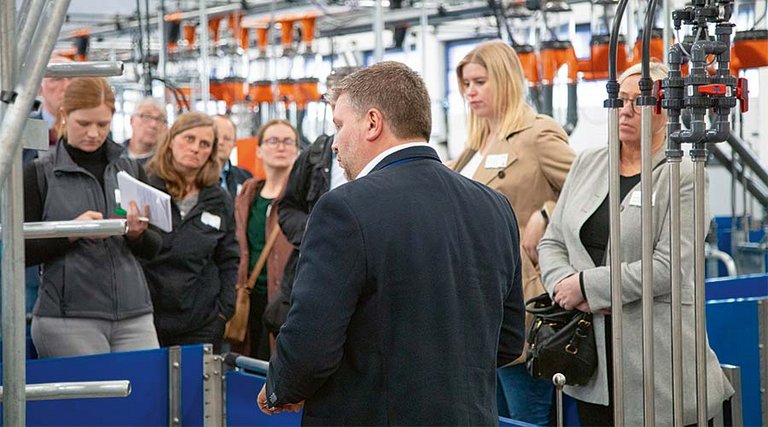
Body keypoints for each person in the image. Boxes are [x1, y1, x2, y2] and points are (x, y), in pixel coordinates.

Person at [257, 61, 526, 425]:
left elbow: (312, 342)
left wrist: (282, 387)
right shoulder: (494, 206)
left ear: (372, 122)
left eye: (339, 125)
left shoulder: (345, 208)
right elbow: (508, 340)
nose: (334, 143)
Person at [538, 62, 734, 425]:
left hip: (659, 366)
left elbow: (670, 267)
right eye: (620, 100)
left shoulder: (684, 175)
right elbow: (552, 242)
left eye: (640, 100)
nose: (625, 110)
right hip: (592, 362)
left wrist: (586, 286)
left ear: (667, 108)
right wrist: (561, 286)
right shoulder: (588, 163)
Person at [453, 39, 576, 424]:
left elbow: (591, 190)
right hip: (475, 297)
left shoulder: (537, 134)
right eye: (466, 84)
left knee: (526, 414)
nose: (470, 92)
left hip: (521, 297)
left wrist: (545, 212)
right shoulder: (473, 146)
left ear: (504, 80)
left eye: (479, 82)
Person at [23, 77, 161, 358]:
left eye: (103, 124)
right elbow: (21, 251)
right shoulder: (40, 174)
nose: (94, 133)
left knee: (143, 397)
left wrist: (137, 234)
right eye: (83, 124)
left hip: (134, 312)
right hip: (67, 317)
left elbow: (156, 246)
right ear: (64, 115)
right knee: (90, 401)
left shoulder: (130, 169)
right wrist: (71, 232)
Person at [142, 112, 239, 354]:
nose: (195, 148)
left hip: (202, 320)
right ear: (172, 140)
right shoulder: (146, 186)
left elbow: (228, 258)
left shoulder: (218, 199)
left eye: (204, 144)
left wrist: (223, 312)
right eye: (189, 139)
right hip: (148, 316)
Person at [272, 67, 358, 334]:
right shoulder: (315, 155)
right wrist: (315, 230)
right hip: (314, 269)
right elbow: (287, 207)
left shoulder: (379, 155)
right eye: (334, 102)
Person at [233, 119, 298, 359]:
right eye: (273, 141)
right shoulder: (247, 195)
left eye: (287, 141)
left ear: (297, 151)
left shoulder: (301, 199)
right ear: (258, 149)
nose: (280, 147)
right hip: (249, 300)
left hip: (285, 301)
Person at [213, 114, 252, 198]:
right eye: (215, 137)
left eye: (226, 138)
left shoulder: (246, 178)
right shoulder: (192, 178)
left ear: (234, 143)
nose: (220, 142)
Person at [123, 97, 168, 167]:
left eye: (160, 119)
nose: (153, 125)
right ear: (132, 120)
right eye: (147, 116)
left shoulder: (166, 165)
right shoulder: (112, 156)